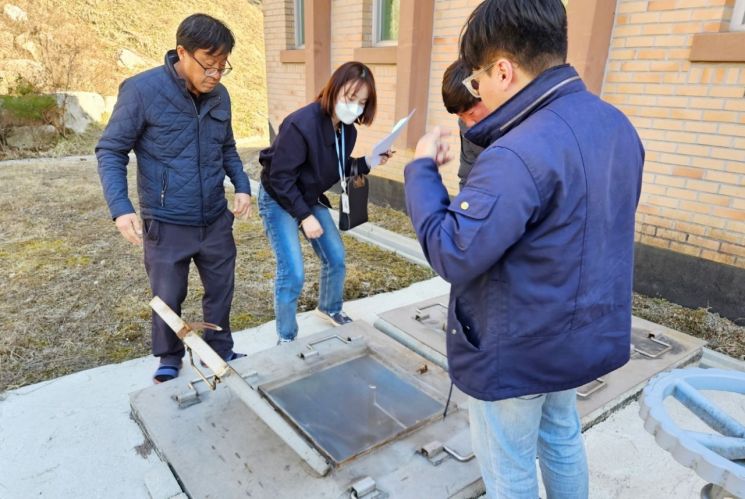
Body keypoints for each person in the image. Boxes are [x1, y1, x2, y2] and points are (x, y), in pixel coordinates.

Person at [403, 1, 644, 497]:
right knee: (560, 436)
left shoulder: (515, 151)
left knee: (508, 467)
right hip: (577, 335)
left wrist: (421, 169)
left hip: (519, 346)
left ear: (504, 70)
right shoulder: (616, 125)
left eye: (477, 81)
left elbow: (452, 252)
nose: (479, 92)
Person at [96, 14, 252, 384]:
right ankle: (169, 356)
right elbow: (111, 150)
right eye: (208, 64)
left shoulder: (221, 96)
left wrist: (242, 185)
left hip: (214, 217)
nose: (215, 74)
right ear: (182, 52)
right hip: (166, 221)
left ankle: (219, 346)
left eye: (222, 66)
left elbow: (227, 146)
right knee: (167, 295)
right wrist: (121, 209)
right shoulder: (142, 91)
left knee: (220, 289)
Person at [258, 62, 391, 343]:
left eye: (362, 102)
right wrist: (305, 216)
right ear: (334, 88)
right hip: (278, 198)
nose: (354, 107)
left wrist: (369, 161)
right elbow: (281, 178)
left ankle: (329, 308)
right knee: (292, 271)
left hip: (306, 196)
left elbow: (336, 167)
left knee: (336, 258)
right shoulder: (300, 124)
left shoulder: (347, 130)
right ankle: (286, 337)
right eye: (350, 97)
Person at [441, 59, 490, 189]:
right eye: (461, 116)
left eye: (471, 113)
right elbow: (467, 171)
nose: (468, 123)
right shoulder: (465, 124)